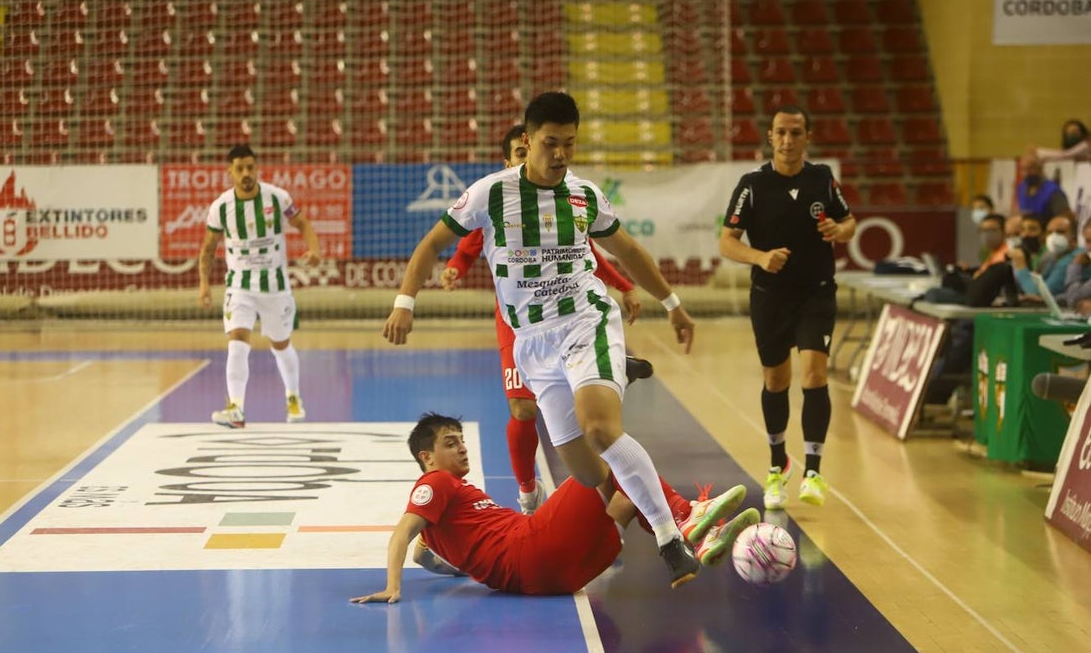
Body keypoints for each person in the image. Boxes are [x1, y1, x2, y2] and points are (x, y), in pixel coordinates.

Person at [383, 92, 703, 588]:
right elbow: (431, 245)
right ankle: (617, 373)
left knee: (600, 430)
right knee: (586, 469)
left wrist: (672, 302)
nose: (560, 155)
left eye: (569, 144)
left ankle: (670, 537)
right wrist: (405, 302)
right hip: (533, 343)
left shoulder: (585, 195)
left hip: (584, 320)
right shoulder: (490, 193)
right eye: (550, 144)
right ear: (526, 142)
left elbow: (628, 250)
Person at [440, 123, 653, 514]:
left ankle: (624, 510)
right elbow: (467, 247)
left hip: (572, 315)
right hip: (520, 322)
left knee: (595, 421)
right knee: (523, 410)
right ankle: (528, 493)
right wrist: (454, 267)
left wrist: (624, 285)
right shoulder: (497, 200)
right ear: (512, 160)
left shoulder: (566, 199)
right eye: (522, 156)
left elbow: (587, 254)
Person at [349, 413, 758, 602]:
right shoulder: (435, 483)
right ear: (427, 458)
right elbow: (404, 532)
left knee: (631, 493)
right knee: (608, 446)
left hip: (556, 580)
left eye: (461, 438)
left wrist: (433, 561)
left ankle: (699, 540)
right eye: (449, 442)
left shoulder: (455, 506)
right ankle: (686, 518)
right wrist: (393, 586)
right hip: (534, 548)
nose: (461, 446)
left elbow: (432, 552)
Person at [718, 105, 856, 511]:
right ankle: (778, 465)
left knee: (815, 373)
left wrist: (838, 229)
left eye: (796, 133)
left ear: (807, 137)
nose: (788, 140)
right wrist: (760, 258)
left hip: (816, 292)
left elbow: (849, 222)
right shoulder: (752, 185)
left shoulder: (822, 179)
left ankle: (813, 470)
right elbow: (727, 240)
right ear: (770, 137)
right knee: (776, 380)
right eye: (781, 132)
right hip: (770, 297)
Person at [199, 144, 321, 427]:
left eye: (250, 167)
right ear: (230, 172)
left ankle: (293, 398)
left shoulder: (277, 197)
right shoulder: (221, 206)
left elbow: (303, 224)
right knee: (237, 341)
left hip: (275, 286)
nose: (245, 173)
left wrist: (314, 249)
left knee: (281, 344)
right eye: (239, 168)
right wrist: (204, 285)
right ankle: (236, 409)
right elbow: (208, 249)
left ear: (257, 168)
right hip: (239, 285)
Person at [1015, 153, 1070, 228]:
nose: (1026, 173)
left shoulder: (1053, 191)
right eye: (1023, 169)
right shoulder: (1021, 188)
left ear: (1040, 169)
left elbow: (1064, 219)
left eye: (1030, 169)